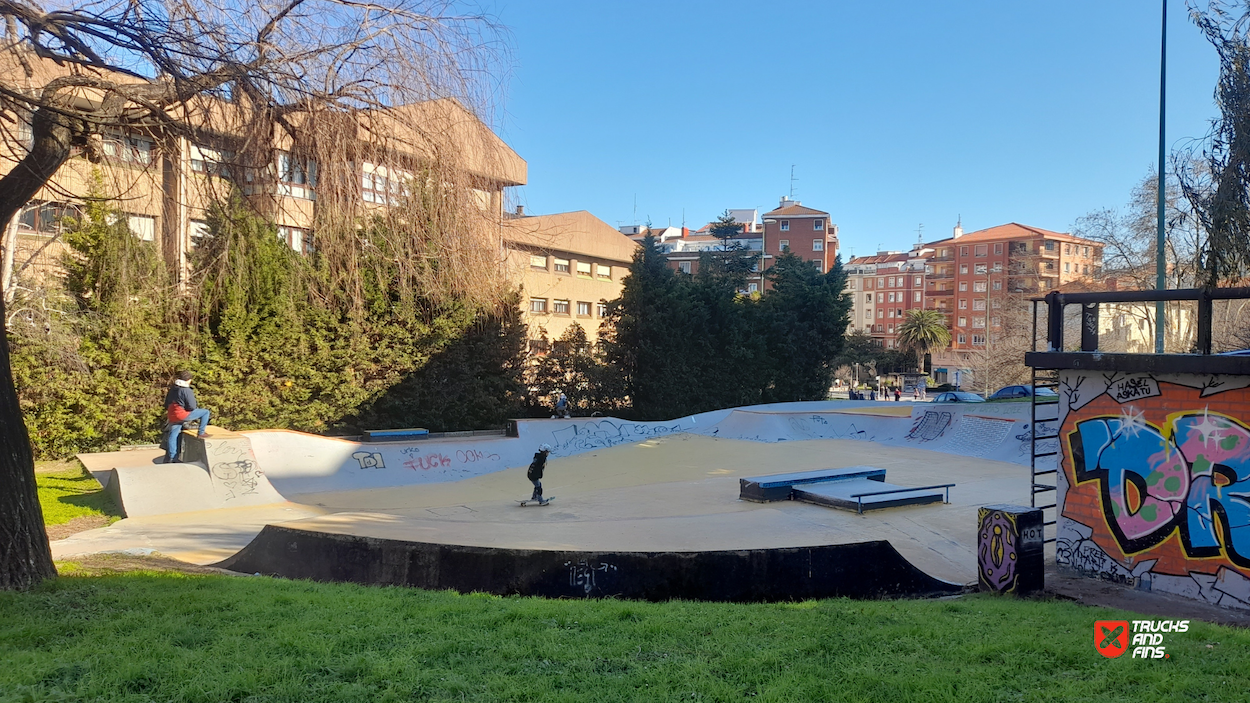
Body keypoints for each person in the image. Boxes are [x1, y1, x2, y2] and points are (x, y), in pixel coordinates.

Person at [162, 370, 211, 463]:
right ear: (189, 380)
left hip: (172, 414)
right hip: (182, 414)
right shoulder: (186, 390)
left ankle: (173, 457)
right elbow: (192, 406)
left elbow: (166, 403)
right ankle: (201, 432)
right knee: (205, 412)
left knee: (173, 435)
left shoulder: (173, 388)